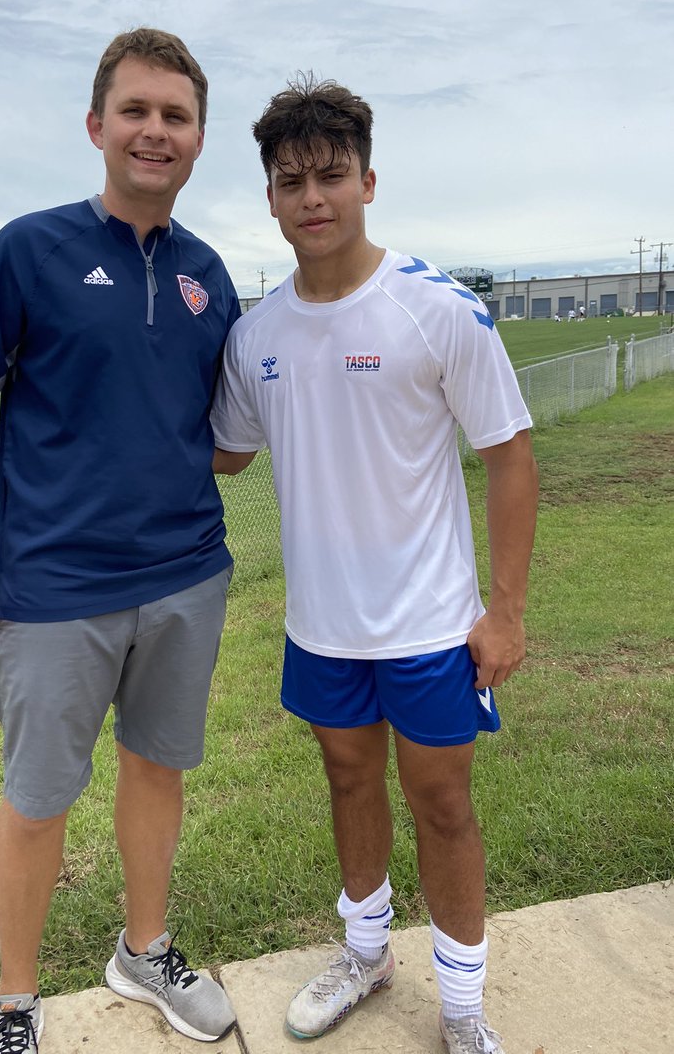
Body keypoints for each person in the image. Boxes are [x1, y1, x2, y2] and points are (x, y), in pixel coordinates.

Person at [0, 28, 242, 1053]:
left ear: (198, 140)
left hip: (186, 576)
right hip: (56, 589)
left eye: (175, 116)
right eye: (135, 111)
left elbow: (224, 441)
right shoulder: (31, 248)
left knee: (157, 768)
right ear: (97, 127)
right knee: (38, 796)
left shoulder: (209, 275)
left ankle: (145, 952)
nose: (155, 131)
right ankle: (16, 1001)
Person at [212, 77, 538, 1054]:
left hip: (433, 627)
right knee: (348, 788)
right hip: (322, 627)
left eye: (332, 176)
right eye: (291, 181)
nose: (313, 197)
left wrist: (506, 612)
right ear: (269, 200)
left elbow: (510, 456)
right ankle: (365, 952)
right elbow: (224, 453)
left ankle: (465, 1008)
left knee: (442, 805)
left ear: (368, 182)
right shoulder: (255, 335)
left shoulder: (438, 311)